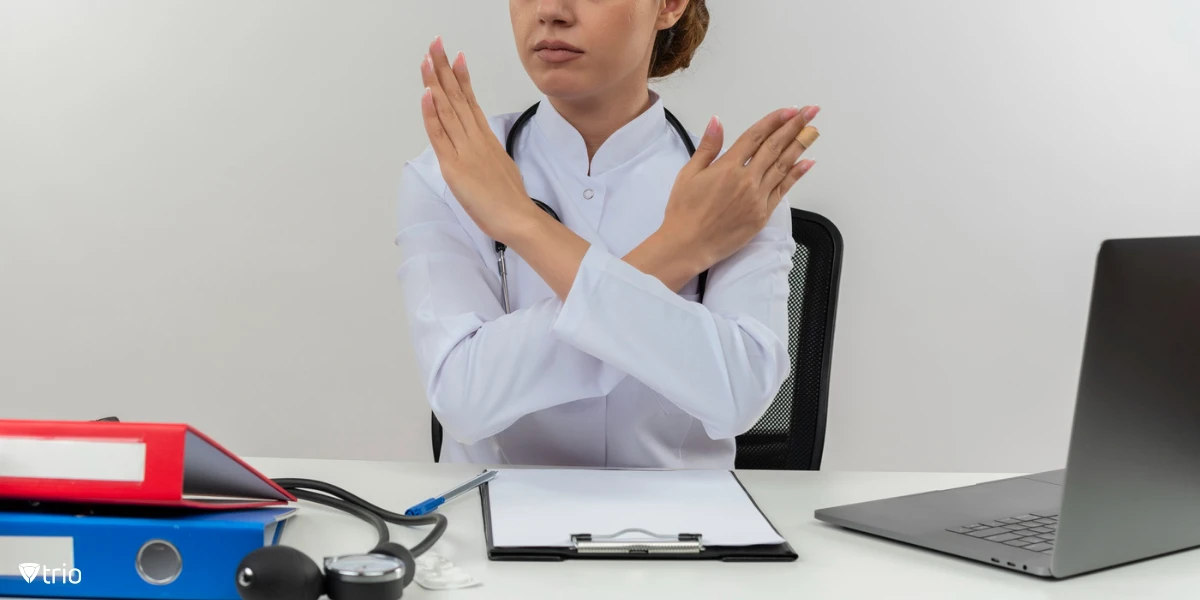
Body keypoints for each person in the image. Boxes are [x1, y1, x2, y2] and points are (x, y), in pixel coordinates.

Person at [395, 0, 821, 468]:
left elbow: (738, 394)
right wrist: (674, 252)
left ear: (669, 6)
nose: (551, 11)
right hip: (494, 521)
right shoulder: (449, 174)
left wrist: (522, 222)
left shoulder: (735, 188)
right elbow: (463, 398)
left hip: (686, 526)